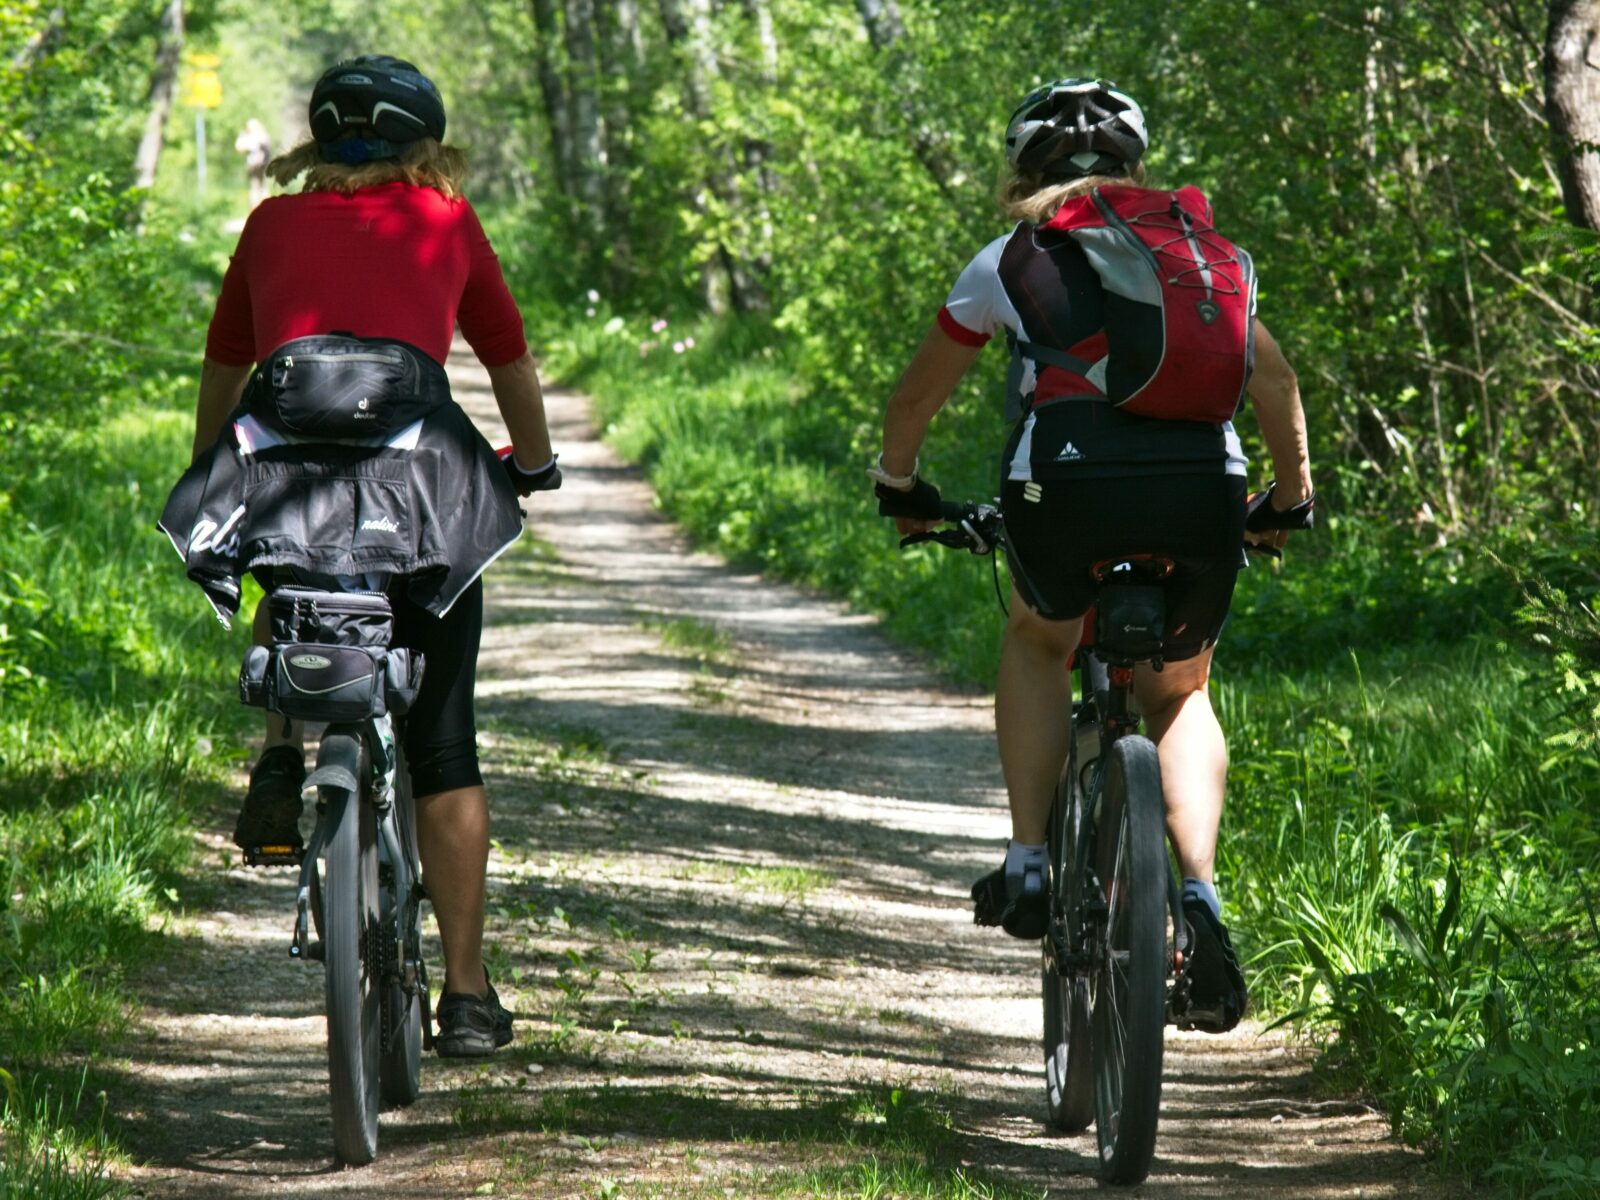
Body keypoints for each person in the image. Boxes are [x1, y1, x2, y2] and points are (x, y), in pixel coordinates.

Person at [871, 78, 1314, 1029]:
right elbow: (1272, 378)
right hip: (1203, 492)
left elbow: (914, 403)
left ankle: (1030, 863)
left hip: (1064, 491)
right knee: (1181, 691)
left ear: (1022, 171)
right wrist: (1287, 502)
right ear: (1133, 166)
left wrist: (900, 490)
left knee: (1039, 637)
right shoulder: (1202, 255)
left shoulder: (1008, 259)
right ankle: (1200, 896)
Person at [182, 56, 560, 1057]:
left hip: (287, 474)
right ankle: (469, 996)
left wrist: (211, 467)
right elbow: (506, 355)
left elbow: (227, 363)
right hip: (419, 488)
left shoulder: (268, 226)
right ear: (421, 145)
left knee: (288, 559)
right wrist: (538, 464)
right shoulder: (443, 220)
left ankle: (277, 752)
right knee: (444, 744)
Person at [233, 118, 272, 210]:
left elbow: (238, 146)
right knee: (262, 187)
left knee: (255, 188)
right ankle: (265, 209)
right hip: (262, 165)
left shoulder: (249, 136)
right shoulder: (263, 135)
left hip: (253, 165)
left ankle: (256, 210)